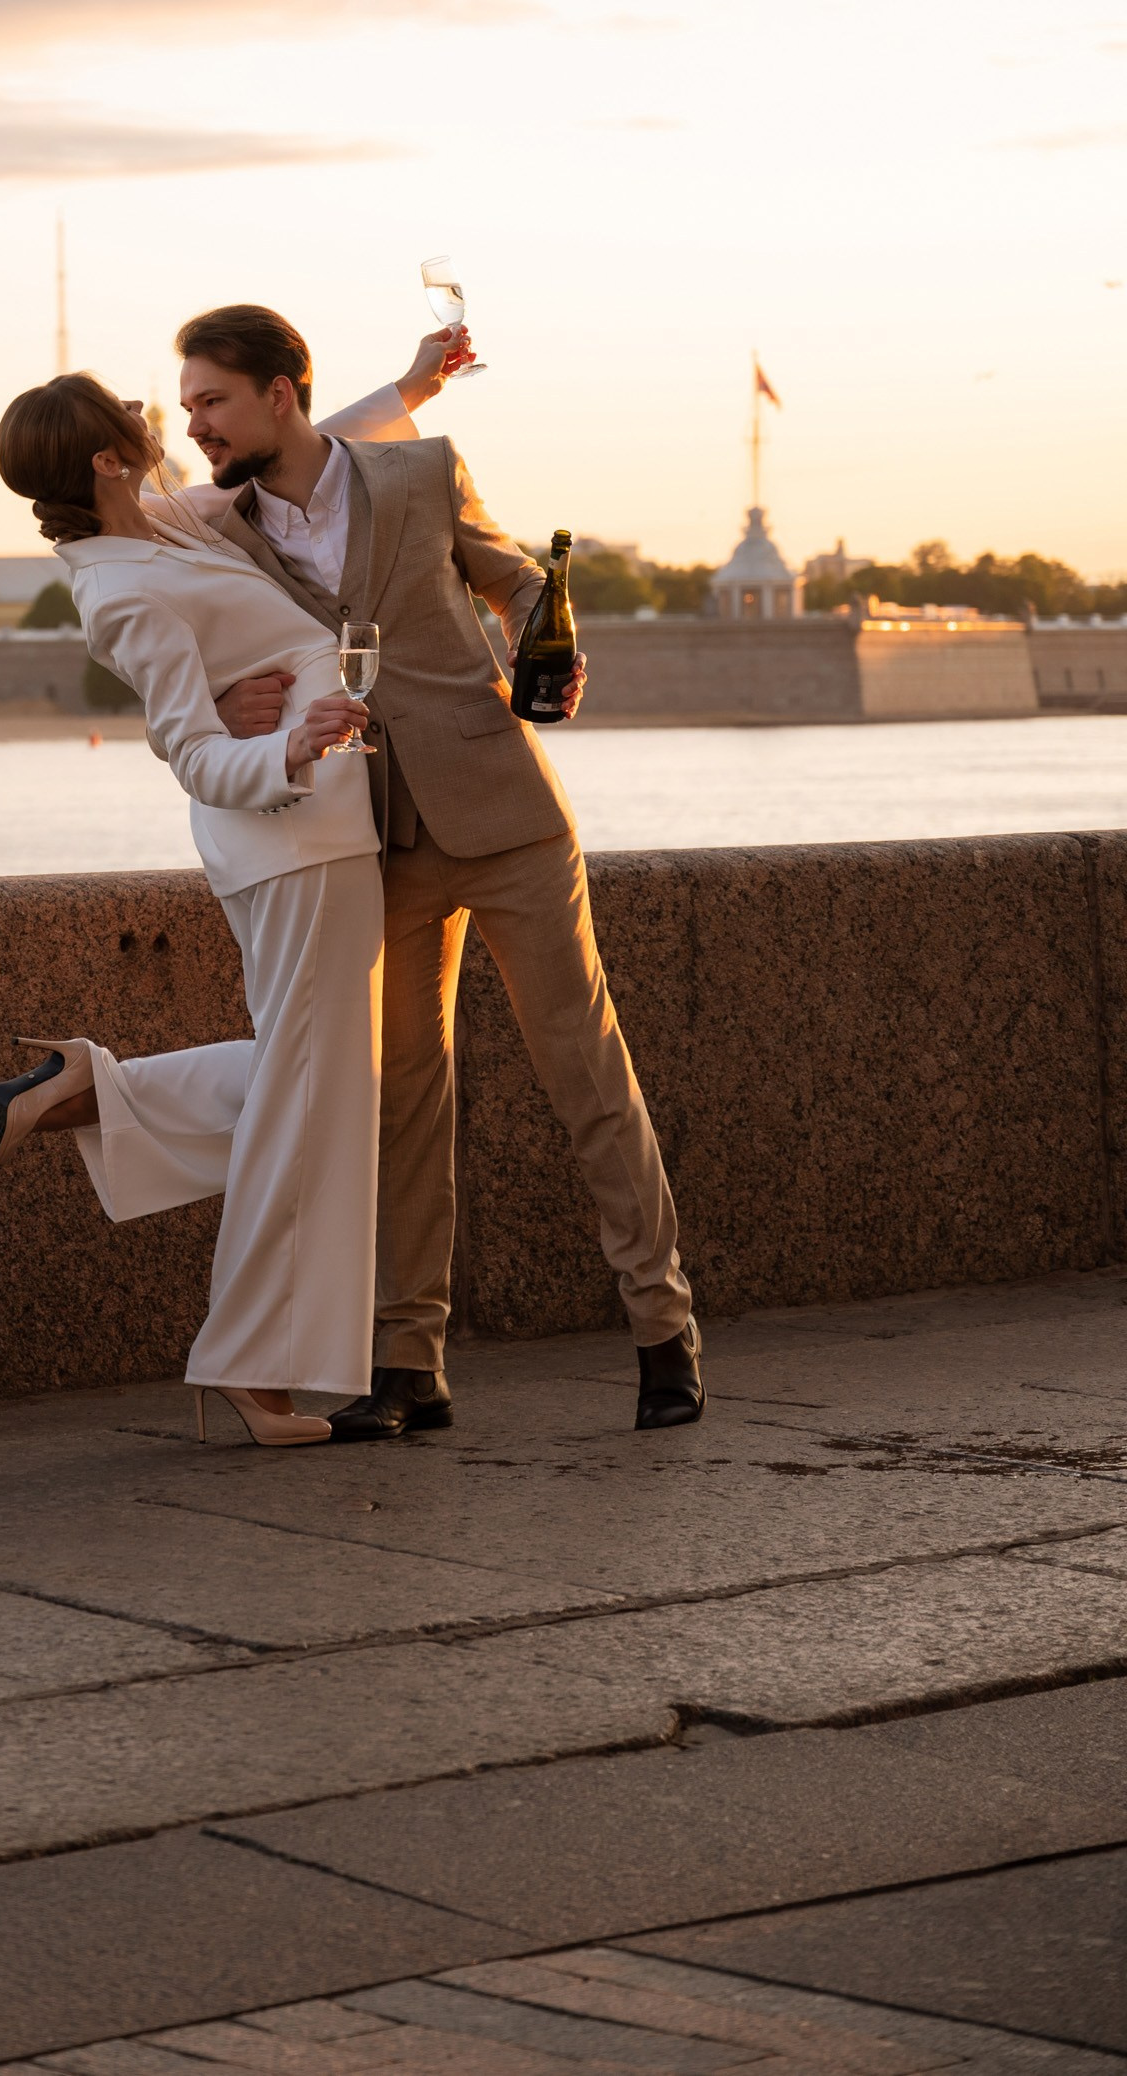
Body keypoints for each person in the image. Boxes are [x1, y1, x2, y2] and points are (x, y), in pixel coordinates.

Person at [180, 303, 703, 1439]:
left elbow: (514, 578)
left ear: (281, 392)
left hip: (504, 812)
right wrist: (222, 704)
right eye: (185, 408)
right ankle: (407, 1359)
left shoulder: (419, 475)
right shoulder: (216, 530)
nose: (196, 426)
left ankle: (662, 1326)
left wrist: (544, 638)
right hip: (376, 837)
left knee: (583, 1068)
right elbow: (181, 661)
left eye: (211, 401)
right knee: (404, 1099)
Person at [0, 366, 413, 1447]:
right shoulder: (121, 587)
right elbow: (189, 750)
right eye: (129, 408)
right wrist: (290, 744)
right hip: (292, 837)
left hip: (317, 830)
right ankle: (247, 1368)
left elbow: (301, 449)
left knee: (306, 1082)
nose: (153, 413)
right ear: (101, 458)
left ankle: (93, 1086)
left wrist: (413, 382)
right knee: (309, 1092)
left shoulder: (167, 524)